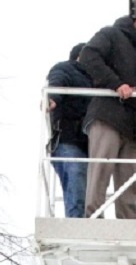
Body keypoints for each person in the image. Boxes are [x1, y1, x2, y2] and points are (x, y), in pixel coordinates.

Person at [78, 8, 136, 219]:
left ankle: (127, 220)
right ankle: (94, 215)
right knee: (101, 167)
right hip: (108, 114)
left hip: (132, 125)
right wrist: (116, 84)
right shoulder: (111, 35)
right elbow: (89, 56)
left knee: (128, 176)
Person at [46, 42, 92, 218]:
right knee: (76, 175)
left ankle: (87, 220)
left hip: (88, 142)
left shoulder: (98, 78)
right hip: (68, 138)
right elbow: (57, 81)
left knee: (85, 183)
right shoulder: (65, 68)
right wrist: (52, 98)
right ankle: (76, 222)